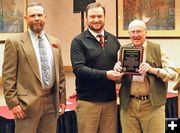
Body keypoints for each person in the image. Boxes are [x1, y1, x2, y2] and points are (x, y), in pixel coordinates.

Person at [2, 2, 66, 133]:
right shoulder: (14, 43)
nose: (36, 18)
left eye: (39, 15)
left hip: (51, 103)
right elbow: (8, 76)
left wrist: (62, 99)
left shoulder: (55, 42)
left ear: (45, 17)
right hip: (26, 105)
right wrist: (13, 103)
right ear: (26, 19)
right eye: (32, 15)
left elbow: (61, 73)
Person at [114, 19, 178, 133]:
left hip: (152, 105)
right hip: (128, 106)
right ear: (128, 34)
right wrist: (117, 71)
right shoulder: (122, 50)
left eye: (139, 31)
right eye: (132, 32)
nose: (136, 35)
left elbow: (173, 73)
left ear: (146, 32)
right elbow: (117, 80)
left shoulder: (157, 49)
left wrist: (153, 70)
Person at [70, 2, 123, 133]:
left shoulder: (113, 40)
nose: (96, 20)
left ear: (105, 17)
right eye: (92, 17)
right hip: (88, 102)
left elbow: (120, 64)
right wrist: (106, 75)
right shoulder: (78, 41)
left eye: (99, 16)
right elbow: (79, 69)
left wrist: (120, 69)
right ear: (86, 18)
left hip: (110, 101)